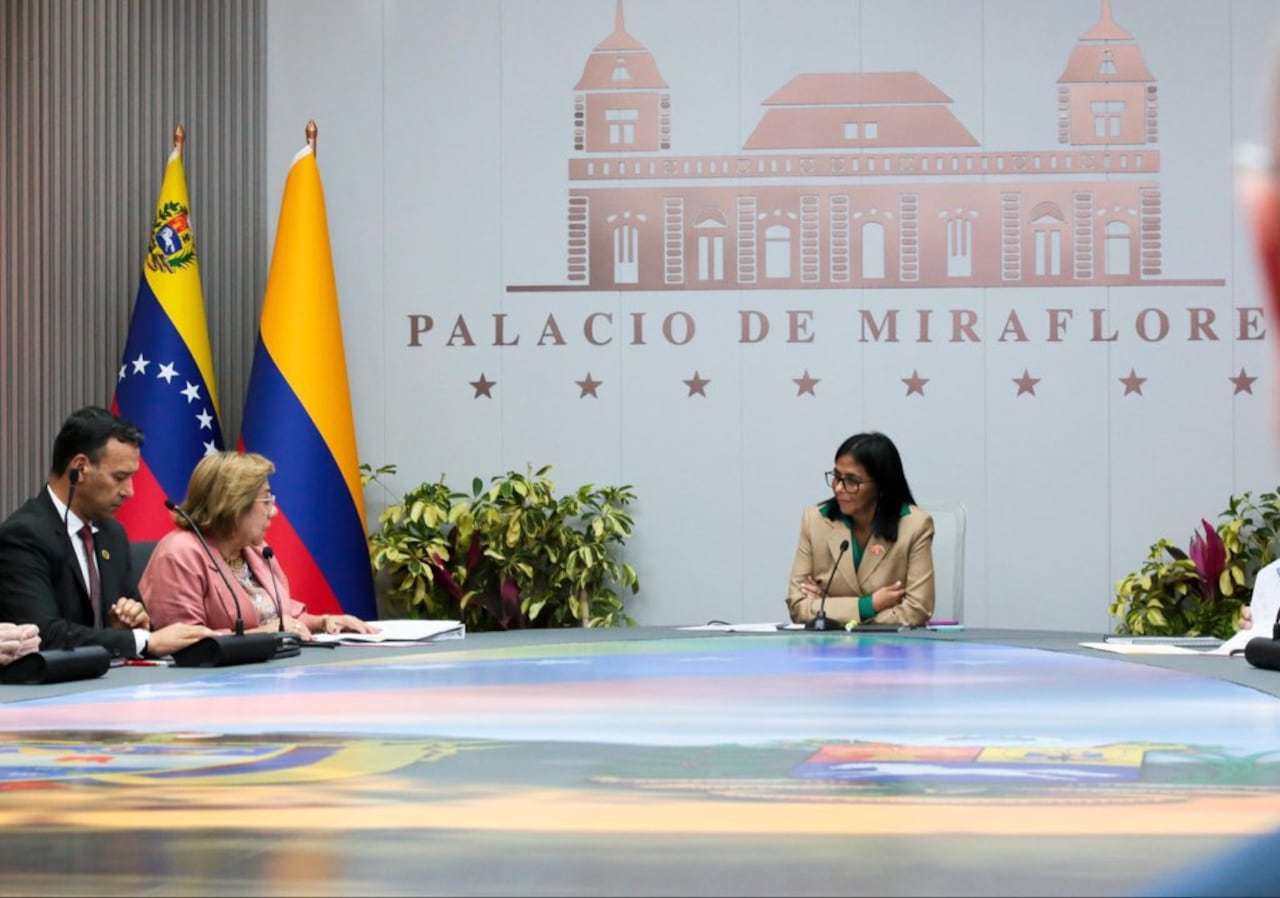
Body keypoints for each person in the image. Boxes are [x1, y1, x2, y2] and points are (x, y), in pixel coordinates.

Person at [0, 406, 214, 659]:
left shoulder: (112, 533)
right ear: (79, 469)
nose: (130, 491)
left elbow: (138, 629)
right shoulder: (24, 535)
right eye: (120, 477)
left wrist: (134, 622)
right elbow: (42, 634)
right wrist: (139, 640)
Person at [140, 450, 377, 639]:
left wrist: (324, 622)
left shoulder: (256, 550)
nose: (273, 511)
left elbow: (282, 619)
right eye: (265, 500)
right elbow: (183, 641)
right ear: (232, 504)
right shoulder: (180, 553)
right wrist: (263, 634)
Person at [786, 431, 935, 627]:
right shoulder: (815, 520)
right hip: (828, 651)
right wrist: (869, 605)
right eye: (836, 477)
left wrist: (830, 609)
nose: (839, 488)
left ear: (881, 485)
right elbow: (798, 606)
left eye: (851, 481)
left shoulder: (915, 525)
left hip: (890, 652)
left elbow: (916, 610)